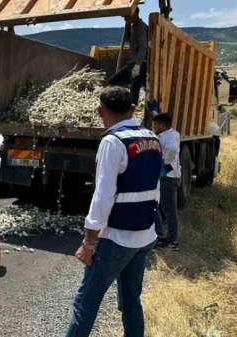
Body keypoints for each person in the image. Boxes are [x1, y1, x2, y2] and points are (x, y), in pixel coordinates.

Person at [65, 86, 162, 337]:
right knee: (131, 301)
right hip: (145, 235)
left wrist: (88, 242)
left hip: (116, 238)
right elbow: (155, 188)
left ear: (100, 111)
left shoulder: (113, 141)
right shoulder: (152, 138)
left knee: (85, 304)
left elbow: (103, 197)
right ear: (133, 109)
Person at [108, 7, 149, 106]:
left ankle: (129, 111)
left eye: (126, 16)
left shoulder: (141, 27)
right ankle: (122, 103)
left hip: (138, 64)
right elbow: (128, 39)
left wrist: (138, 65)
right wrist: (127, 26)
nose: (125, 19)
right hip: (131, 64)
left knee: (134, 93)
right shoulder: (133, 27)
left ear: (134, 14)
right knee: (112, 81)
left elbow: (143, 47)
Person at [152, 113, 181, 250]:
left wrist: (166, 165)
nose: (154, 128)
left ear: (162, 125)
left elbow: (172, 149)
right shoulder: (171, 133)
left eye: (155, 125)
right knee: (160, 206)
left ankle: (171, 241)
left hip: (169, 177)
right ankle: (161, 237)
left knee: (169, 209)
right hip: (169, 176)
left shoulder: (167, 137)